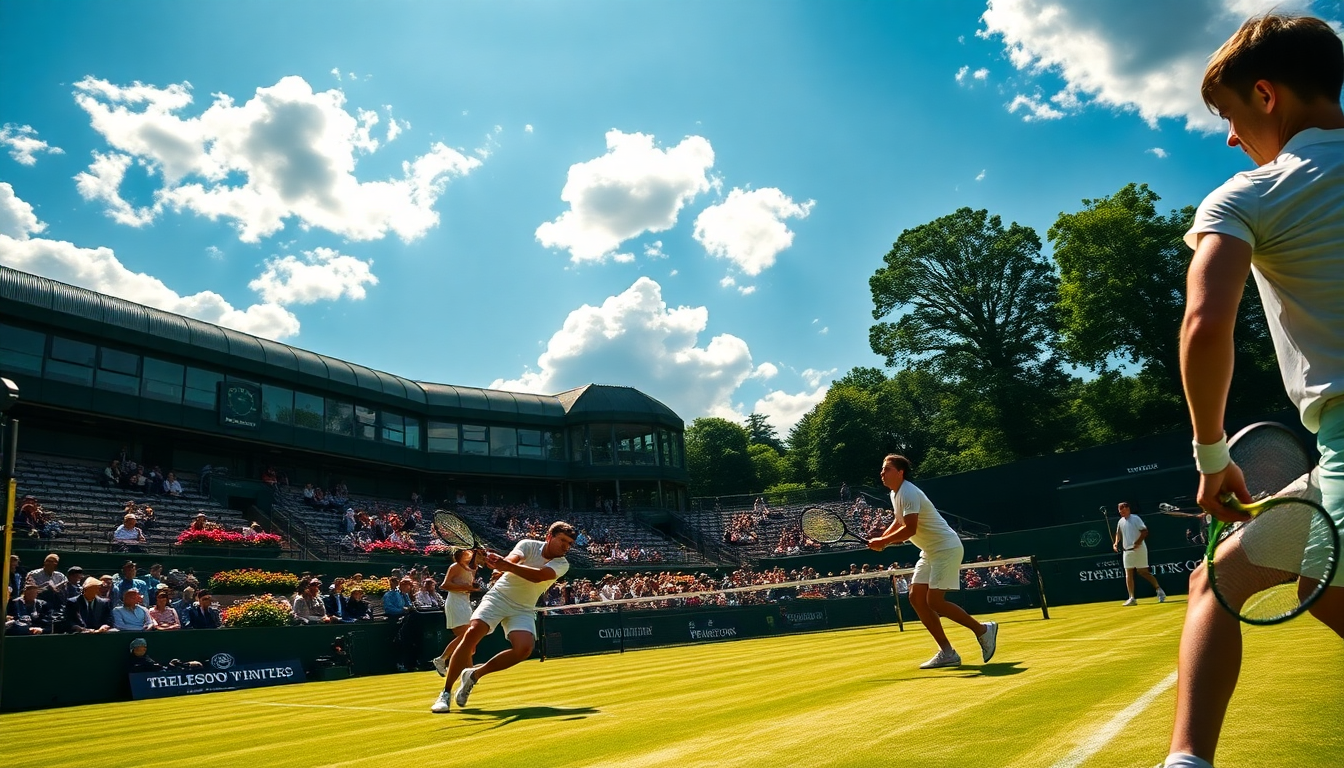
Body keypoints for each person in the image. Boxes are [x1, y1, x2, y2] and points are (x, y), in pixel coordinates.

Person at [1166, 13, 1344, 768]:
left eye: (1231, 116)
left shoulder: (1249, 195)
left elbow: (1204, 325)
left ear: (1267, 96)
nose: (1232, 138)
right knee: (1224, 578)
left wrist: (1212, 458)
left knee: (1236, 582)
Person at [431, 521, 576, 713]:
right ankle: (446, 692)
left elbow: (539, 576)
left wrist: (506, 566)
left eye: (569, 543)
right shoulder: (528, 544)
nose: (565, 546)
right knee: (472, 633)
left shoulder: (562, 564)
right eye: (562, 540)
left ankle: (474, 675)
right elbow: (513, 558)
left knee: (524, 649)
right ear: (549, 537)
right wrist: (501, 565)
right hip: (498, 597)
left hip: (523, 608)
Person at [868, 454, 997, 669]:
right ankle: (947, 653)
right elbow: (899, 522)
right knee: (916, 598)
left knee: (935, 602)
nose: (882, 473)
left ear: (900, 472)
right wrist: (883, 539)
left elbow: (910, 529)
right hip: (930, 551)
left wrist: (883, 541)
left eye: (886, 469)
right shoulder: (894, 494)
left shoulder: (909, 492)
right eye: (882, 469)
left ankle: (983, 630)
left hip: (946, 548)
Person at [432, 549, 479, 676]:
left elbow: (467, 586)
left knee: (469, 643)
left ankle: (469, 673)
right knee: (467, 637)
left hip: (465, 603)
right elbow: (444, 585)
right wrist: (466, 587)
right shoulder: (455, 566)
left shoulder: (472, 569)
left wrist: (472, 587)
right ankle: (441, 659)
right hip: (455, 603)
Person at [1113, 502, 1167, 605]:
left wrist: (1137, 543)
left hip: (1139, 549)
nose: (1121, 512)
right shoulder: (1120, 521)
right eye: (1120, 511)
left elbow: (1144, 531)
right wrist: (1116, 543)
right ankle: (1132, 598)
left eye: (1122, 510)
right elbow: (1118, 533)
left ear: (1128, 509)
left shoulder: (1136, 518)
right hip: (1127, 551)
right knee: (1128, 573)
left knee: (1143, 572)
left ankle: (1159, 590)